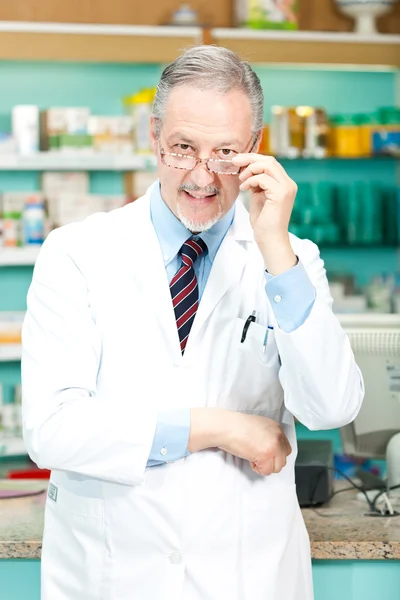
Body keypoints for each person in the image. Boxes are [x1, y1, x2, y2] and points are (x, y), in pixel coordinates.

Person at [21, 45, 364, 600]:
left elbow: (331, 407)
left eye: (226, 152)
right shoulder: (77, 253)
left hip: (248, 575)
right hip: (113, 574)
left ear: (254, 149)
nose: (203, 176)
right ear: (154, 134)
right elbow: (51, 429)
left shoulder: (289, 259)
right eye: (183, 148)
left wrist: (276, 245)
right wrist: (220, 427)